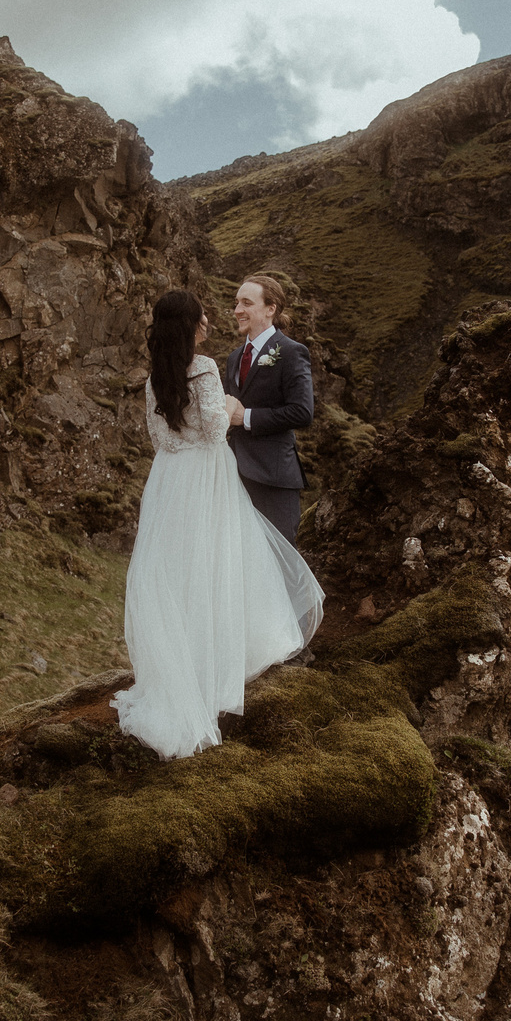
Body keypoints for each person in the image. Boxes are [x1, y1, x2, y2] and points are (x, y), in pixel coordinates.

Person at [112, 287, 325, 760]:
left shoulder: (155, 378)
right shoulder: (208, 366)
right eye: (203, 314)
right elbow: (212, 430)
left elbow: (158, 436)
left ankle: (182, 664)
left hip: (170, 477)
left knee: (178, 568)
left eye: (242, 302)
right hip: (209, 474)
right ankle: (218, 665)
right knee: (219, 562)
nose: (215, 317)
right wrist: (229, 408)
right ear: (190, 326)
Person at [221, 273, 313, 545]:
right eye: (237, 303)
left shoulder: (291, 351)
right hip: (234, 475)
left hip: (274, 479)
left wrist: (245, 417)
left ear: (270, 309)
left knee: (278, 562)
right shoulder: (234, 358)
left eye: (247, 303)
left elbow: (302, 412)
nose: (238, 310)